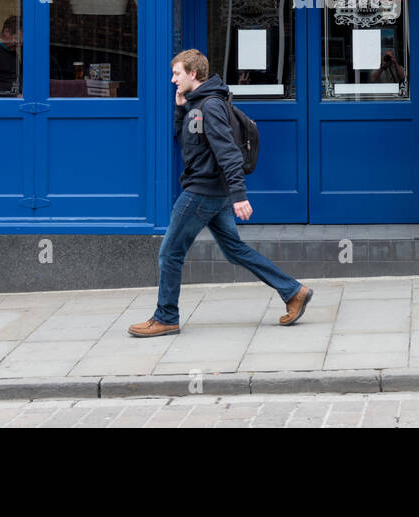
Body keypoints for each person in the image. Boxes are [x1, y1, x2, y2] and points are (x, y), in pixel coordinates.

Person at [128, 48, 312, 337]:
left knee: (170, 254)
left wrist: (239, 195)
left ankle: (166, 317)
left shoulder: (210, 106)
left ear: (193, 73)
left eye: (177, 74)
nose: (173, 79)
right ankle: (293, 291)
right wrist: (180, 107)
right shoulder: (198, 103)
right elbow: (187, 141)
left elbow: (227, 152)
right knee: (235, 250)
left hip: (203, 191)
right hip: (214, 191)